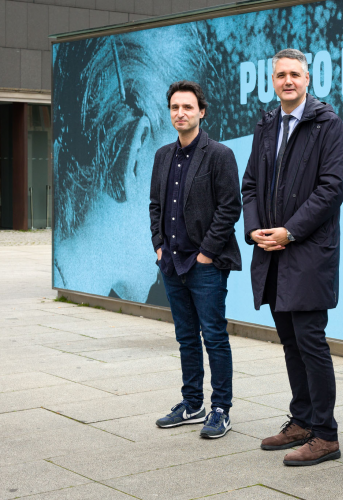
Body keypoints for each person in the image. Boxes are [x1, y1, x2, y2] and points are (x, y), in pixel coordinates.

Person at [241, 48, 343, 465]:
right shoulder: (267, 125)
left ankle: (326, 435)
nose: (288, 81)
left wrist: (289, 231)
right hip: (271, 252)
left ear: (308, 79)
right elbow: (250, 183)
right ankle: (302, 420)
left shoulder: (328, 124)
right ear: (273, 81)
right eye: (281, 75)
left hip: (307, 252)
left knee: (311, 342)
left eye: (295, 74)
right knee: (290, 342)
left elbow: (331, 189)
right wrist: (254, 229)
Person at [149, 81, 242, 439]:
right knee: (186, 337)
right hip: (171, 264)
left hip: (205, 265)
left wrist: (205, 254)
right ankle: (192, 404)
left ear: (201, 112)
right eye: (174, 107)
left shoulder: (219, 155)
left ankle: (221, 408)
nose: (180, 113)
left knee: (214, 337)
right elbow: (155, 205)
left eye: (187, 107)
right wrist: (159, 246)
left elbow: (229, 207)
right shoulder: (162, 156)